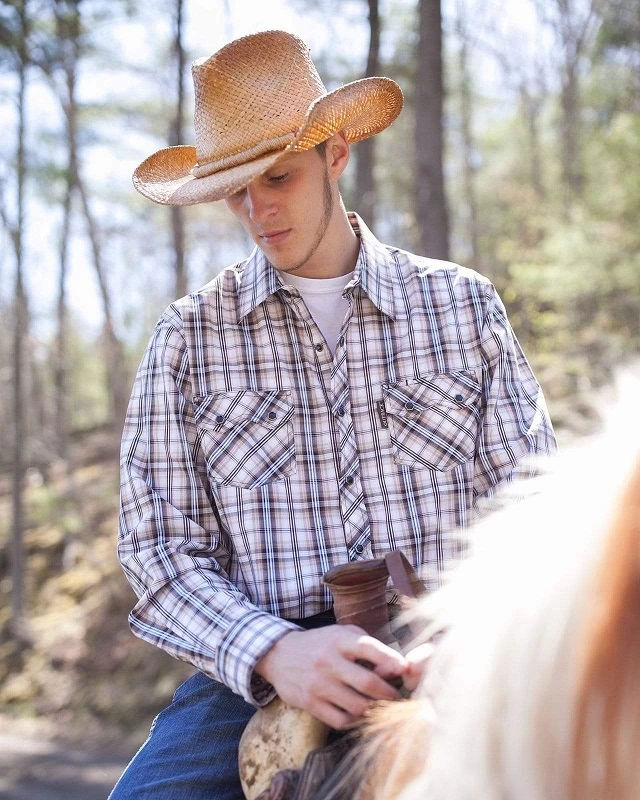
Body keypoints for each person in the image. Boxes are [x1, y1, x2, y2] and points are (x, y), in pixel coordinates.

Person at [111, 29, 556, 800]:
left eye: (277, 179)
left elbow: (530, 508)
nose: (258, 211)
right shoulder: (189, 338)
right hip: (261, 666)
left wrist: (464, 641)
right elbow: (158, 555)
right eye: (236, 191)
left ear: (336, 153)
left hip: (451, 649)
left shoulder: (461, 306)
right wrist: (276, 652)